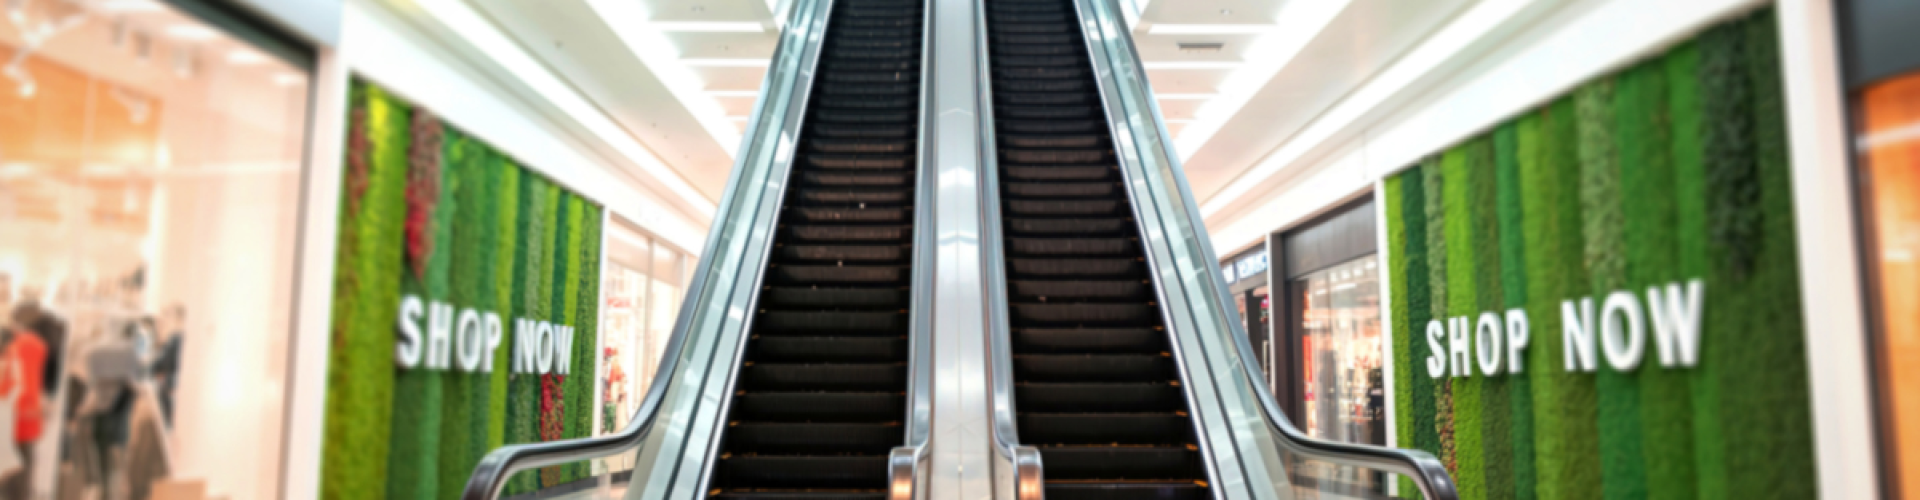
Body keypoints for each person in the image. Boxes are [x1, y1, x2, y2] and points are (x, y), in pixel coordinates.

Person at [0, 306, 49, 500]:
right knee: (18, 473)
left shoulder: (22, 346)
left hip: (16, 419)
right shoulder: (27, 345)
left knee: (16, 475)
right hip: (20, 418)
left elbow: (22, 385)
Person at [150, 305, 186, 424]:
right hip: (171, 388)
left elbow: (159, 364)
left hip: (169, 389)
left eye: (167, 316)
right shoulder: (179, 338)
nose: (164, 321)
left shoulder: (175, 338)